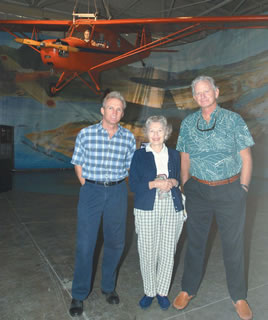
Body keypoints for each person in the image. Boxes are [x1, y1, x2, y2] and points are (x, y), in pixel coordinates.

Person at [173, 75, 254, 320]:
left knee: (233, 245)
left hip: (230, 190)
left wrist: (244, 189)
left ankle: (239, 296)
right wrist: (186, 185)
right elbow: (185, 157)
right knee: (195, 242)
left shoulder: (233, 120)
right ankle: (188, 289)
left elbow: (246, 158)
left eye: (206, 91)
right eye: (197, 93)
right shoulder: (188, 123)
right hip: (198, 191)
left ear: (216, 92)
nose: (202, 96)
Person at [69, 91, 136, 317]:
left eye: (119, 109)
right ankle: (78, 294)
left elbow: (129, 167)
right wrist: (89, 186)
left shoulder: (128, 138)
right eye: (111, 107)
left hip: (117, 191)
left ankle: (108, 287)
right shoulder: (86, 134)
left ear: (122, 113)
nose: (114, 112)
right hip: (92, 191)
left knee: (116, 242)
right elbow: (78, 164)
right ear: (102, 110)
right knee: (86, 244)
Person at [129, 115, 186, 310]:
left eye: (159, 130)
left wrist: (173, 182)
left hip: (171, 205)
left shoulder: (174, 154)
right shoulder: (139, 155)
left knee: (168, 250)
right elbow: (134, 185)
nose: (155, 134)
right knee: (147, 250)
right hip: (146, 206)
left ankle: (162, 292)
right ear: (147, 133)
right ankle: (149, 291)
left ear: (166, 133)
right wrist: (154, 183)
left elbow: (178, 179)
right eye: (151, 131)